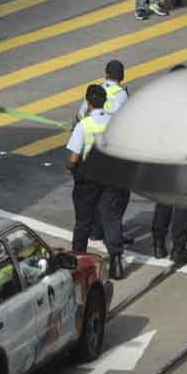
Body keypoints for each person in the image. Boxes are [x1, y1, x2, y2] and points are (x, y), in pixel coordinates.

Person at [65, 84, 122, 270]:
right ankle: (116, 261)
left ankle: (78, 261)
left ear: (88, 103)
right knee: (111, 218)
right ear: (105, 102)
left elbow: (73, 158)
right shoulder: (114, 122)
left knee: (83, 222)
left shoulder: (84, 125)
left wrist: (69, 166)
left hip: (88, 179)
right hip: (111, 176)